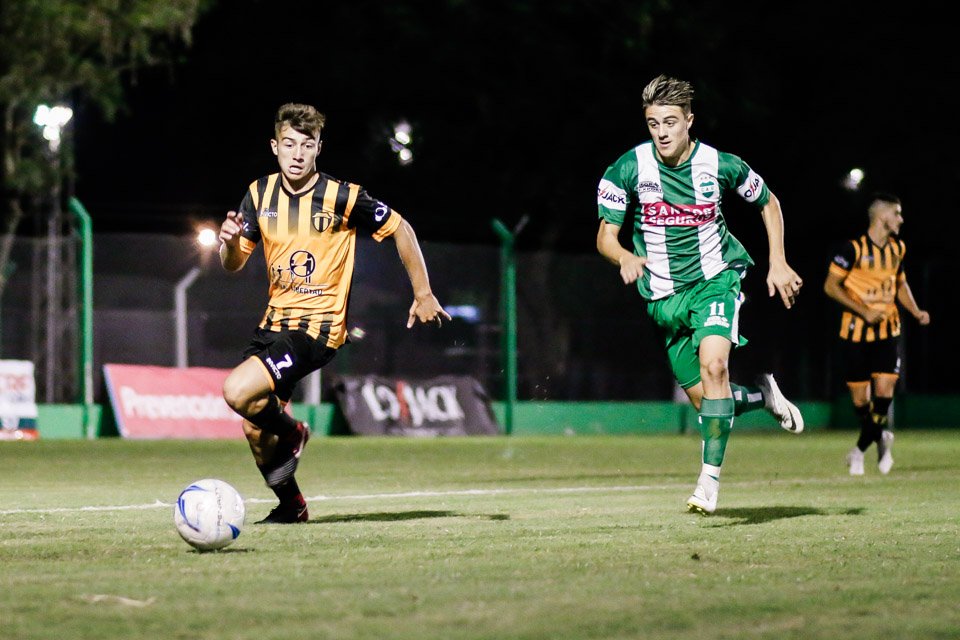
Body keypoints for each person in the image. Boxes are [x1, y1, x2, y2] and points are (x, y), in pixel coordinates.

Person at [218, 103, 450, 524]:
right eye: (289, 144)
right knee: (254, 428)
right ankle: (292, 506)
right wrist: (230, 243)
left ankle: (294, 432)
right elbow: (232, 264)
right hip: (272, 325)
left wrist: (423, 292)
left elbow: (401, 227)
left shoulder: (343, 196)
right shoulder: (259, 193)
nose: (297, 154)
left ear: (319, 148)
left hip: (317, 329)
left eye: (307, 145)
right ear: (274, 146)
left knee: (236, 391)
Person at [596, 74, 805, 515]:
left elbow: (768, 202)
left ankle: (708, 483)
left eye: (671, 122)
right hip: (663, 299)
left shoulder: (720, 164)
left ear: (689, 120)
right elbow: (605, 236)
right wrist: (623, 257)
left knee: (715, 367)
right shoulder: (628, 168)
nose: (662, 132)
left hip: (715, 281)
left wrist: (778, 261)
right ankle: (763, 396)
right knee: (708, 401)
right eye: (654, 123)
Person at [823, 192, 930, 476]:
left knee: (884, 394)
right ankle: (880, 437)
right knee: (861, 401)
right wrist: (863, 311)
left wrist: (916, 311)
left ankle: (859, 451)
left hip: (887, 331)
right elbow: (831, 286)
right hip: (854, 333)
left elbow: (900, 285)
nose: (901, 219)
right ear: (882, 216)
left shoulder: (897, 249)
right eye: (897, 213)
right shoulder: (852, 249)